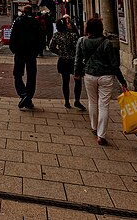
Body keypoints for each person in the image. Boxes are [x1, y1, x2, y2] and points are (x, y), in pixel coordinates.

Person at [74, 17, 127, 145]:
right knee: (104, 105)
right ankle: (101, 135)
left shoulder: (81, 41)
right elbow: (114, 64)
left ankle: (94, 127)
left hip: (89, 75)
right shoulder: (106, 43)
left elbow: (78, 59)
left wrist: (76, 73)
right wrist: (122, 81)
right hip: (106, 76)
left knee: (92, 102)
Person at [8, 4, 45, 110]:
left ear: (23, 12)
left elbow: (13, 36)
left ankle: (23, 94)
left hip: (19, 53)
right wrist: (37, 51)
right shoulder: (36, 22)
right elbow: (41, 38)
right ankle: (28, 98)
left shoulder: (18, 22)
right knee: (31, 76)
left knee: (18, 74)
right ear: (31, 12)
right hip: (31, 54)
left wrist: (14, 49)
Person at [48, 15, 84, 110]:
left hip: (63, 60)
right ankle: (77, 100)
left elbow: (51, 47)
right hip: (73, 61)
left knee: (65, 81)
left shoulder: (57, 35)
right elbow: (78, 48)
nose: (70, 24)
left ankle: (67, 101)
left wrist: (60, 52)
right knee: (78, 80)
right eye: (68, 23)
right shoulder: (73, 35)